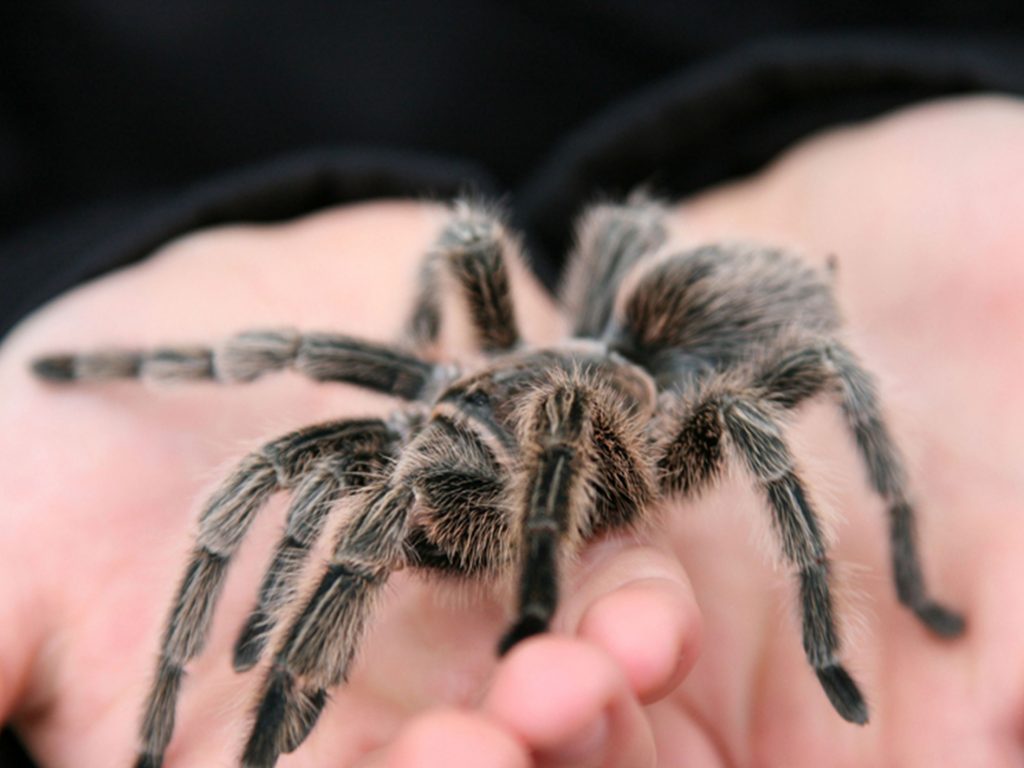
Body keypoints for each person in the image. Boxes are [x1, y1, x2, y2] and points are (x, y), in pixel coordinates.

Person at [1, 5, 1023, 767]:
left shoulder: (671, 425)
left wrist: (535, 611)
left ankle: (279, 715)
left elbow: (584, 422)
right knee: (287, 457)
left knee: (763, 394)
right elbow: (465, 242)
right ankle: (176, 694)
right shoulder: (439, 428)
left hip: (690, 342)